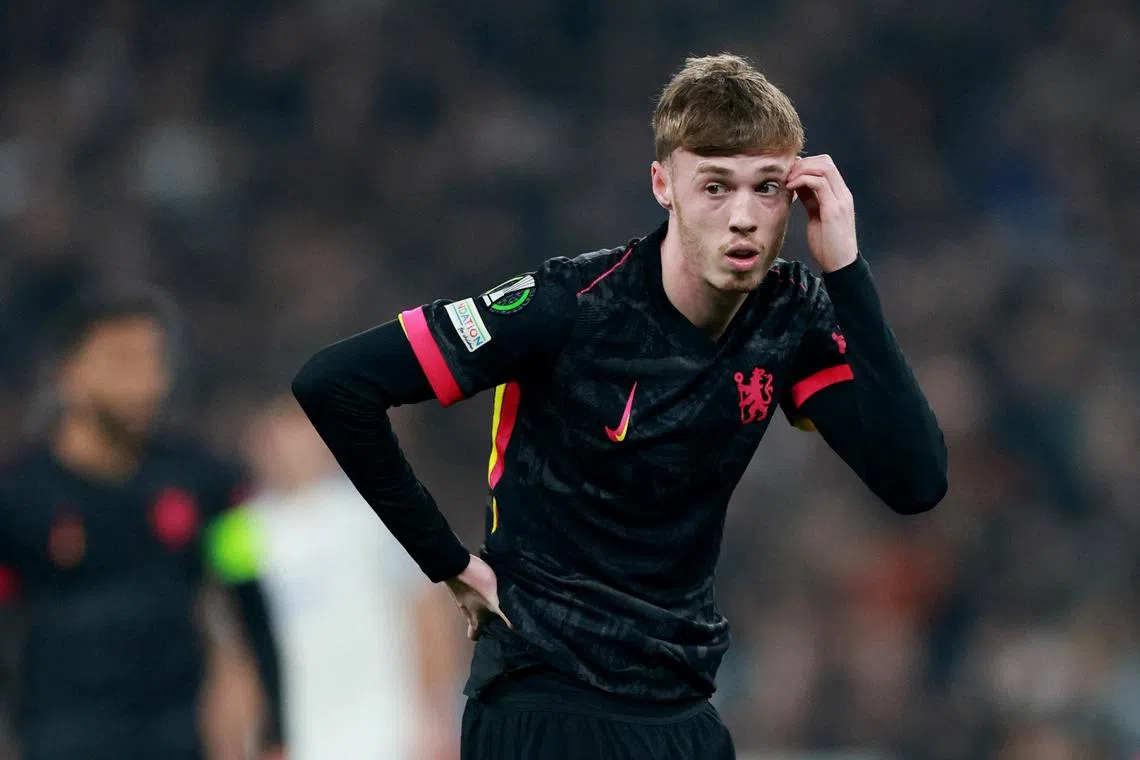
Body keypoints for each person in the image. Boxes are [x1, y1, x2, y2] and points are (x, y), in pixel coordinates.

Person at [291, 53, 948, 759]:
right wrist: (446, 560)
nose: (743, 218)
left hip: (681, 710)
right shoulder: (568, 305)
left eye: (766, 188)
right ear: (664, 184)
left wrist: (846, 271)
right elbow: (335, 383)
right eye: (715, 186)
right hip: (547, 703)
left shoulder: (789, 312)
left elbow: (915, 482)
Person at [0, 285, 285, 760]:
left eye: (155, 361)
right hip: (58, 740)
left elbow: (251, 598)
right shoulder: (17, 498)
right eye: (122, 362)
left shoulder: (211, 485)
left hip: (176, 738)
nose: (146, 383)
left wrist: (276, 731)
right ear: (68, 374)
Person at [218, 393, 461, 760]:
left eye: (301, 432)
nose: (290, 448)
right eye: (278, 433)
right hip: (294, 739)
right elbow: (236, 649)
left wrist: (438, 714)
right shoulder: (237, 534)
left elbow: (427, 611)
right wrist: (240, 741)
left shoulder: (375, 513)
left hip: (388, 732)